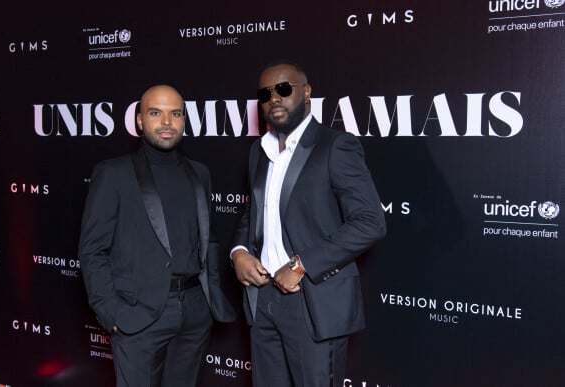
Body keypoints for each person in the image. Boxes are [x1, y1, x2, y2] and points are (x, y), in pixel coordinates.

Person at [231, 61, 386, 387]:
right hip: (263, 298)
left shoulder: (335, 146)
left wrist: (301, 265)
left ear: (306, 92)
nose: (274, 98)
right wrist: (240, 251)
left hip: (311, 299)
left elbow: (370, 222)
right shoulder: (258, 152)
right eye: (265, 93)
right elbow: (254, 213)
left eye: (284, 89)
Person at [79, 84, 235, 387]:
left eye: (175, 114)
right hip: (138, 316)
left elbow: (209, 239)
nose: (166, 122)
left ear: (183, 121)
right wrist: (110, 311)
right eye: (155, 113)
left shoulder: (199, 172)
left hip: (194, 311)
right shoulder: (114, 173)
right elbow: (92, 250)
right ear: (139, 121)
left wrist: (207, 297)